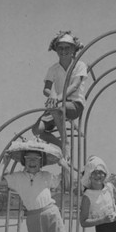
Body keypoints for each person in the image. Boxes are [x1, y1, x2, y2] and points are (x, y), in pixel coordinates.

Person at [32, 31, 88, 159]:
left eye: (67, 47)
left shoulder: (79, 65)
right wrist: (52, 95)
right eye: (60, 48)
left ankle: (66, 143)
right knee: (37, 130)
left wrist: (57, 98)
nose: (64, 51)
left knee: (57, 107)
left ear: (74, 49)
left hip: (74, 104)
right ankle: (61, 144)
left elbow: (74, 86)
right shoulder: (53, 68)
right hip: (57, 105)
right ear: (56, 50)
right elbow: (46, 89)